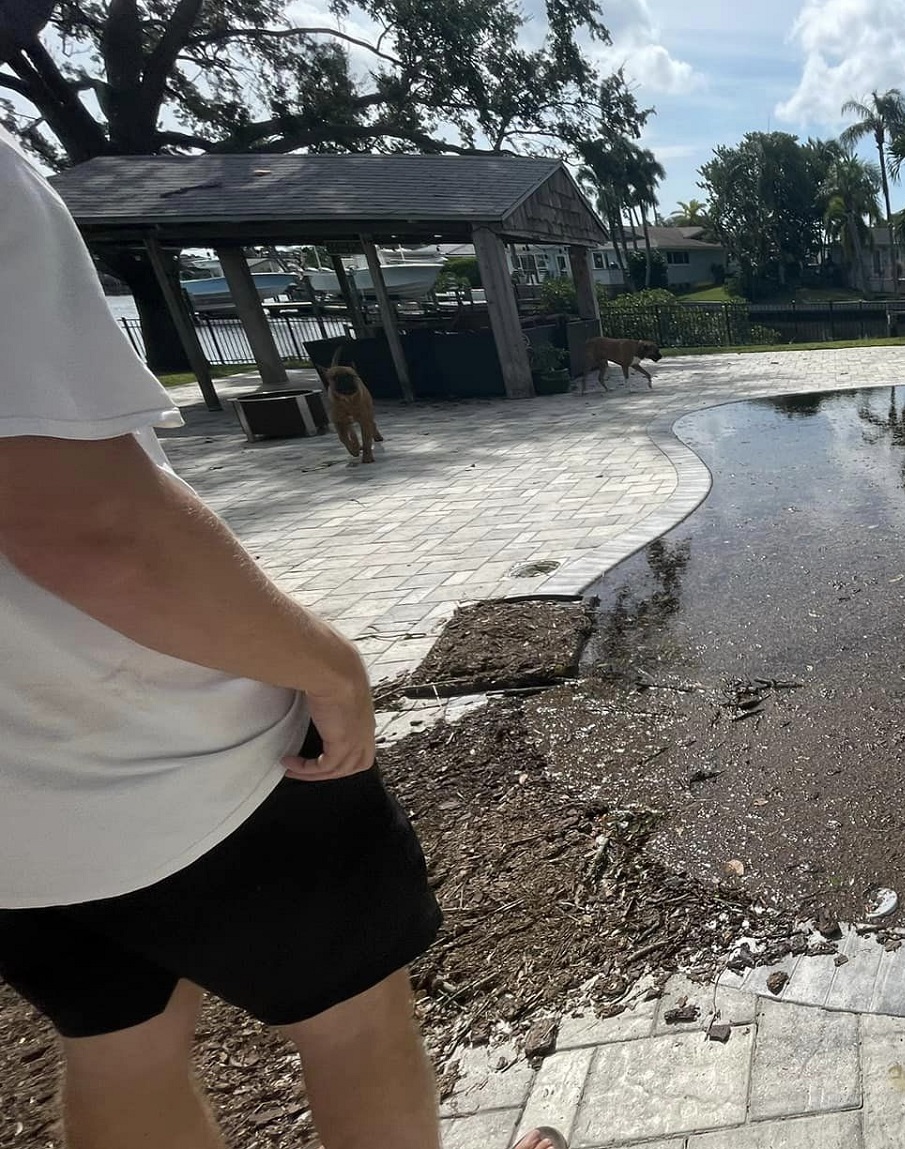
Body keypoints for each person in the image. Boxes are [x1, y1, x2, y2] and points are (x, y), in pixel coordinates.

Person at [0, 5, 559, 1147]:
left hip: (14, 830)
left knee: (121, 1045)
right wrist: (329, 662)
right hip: (179, 765)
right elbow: (91, 525)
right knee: (353, 1021)